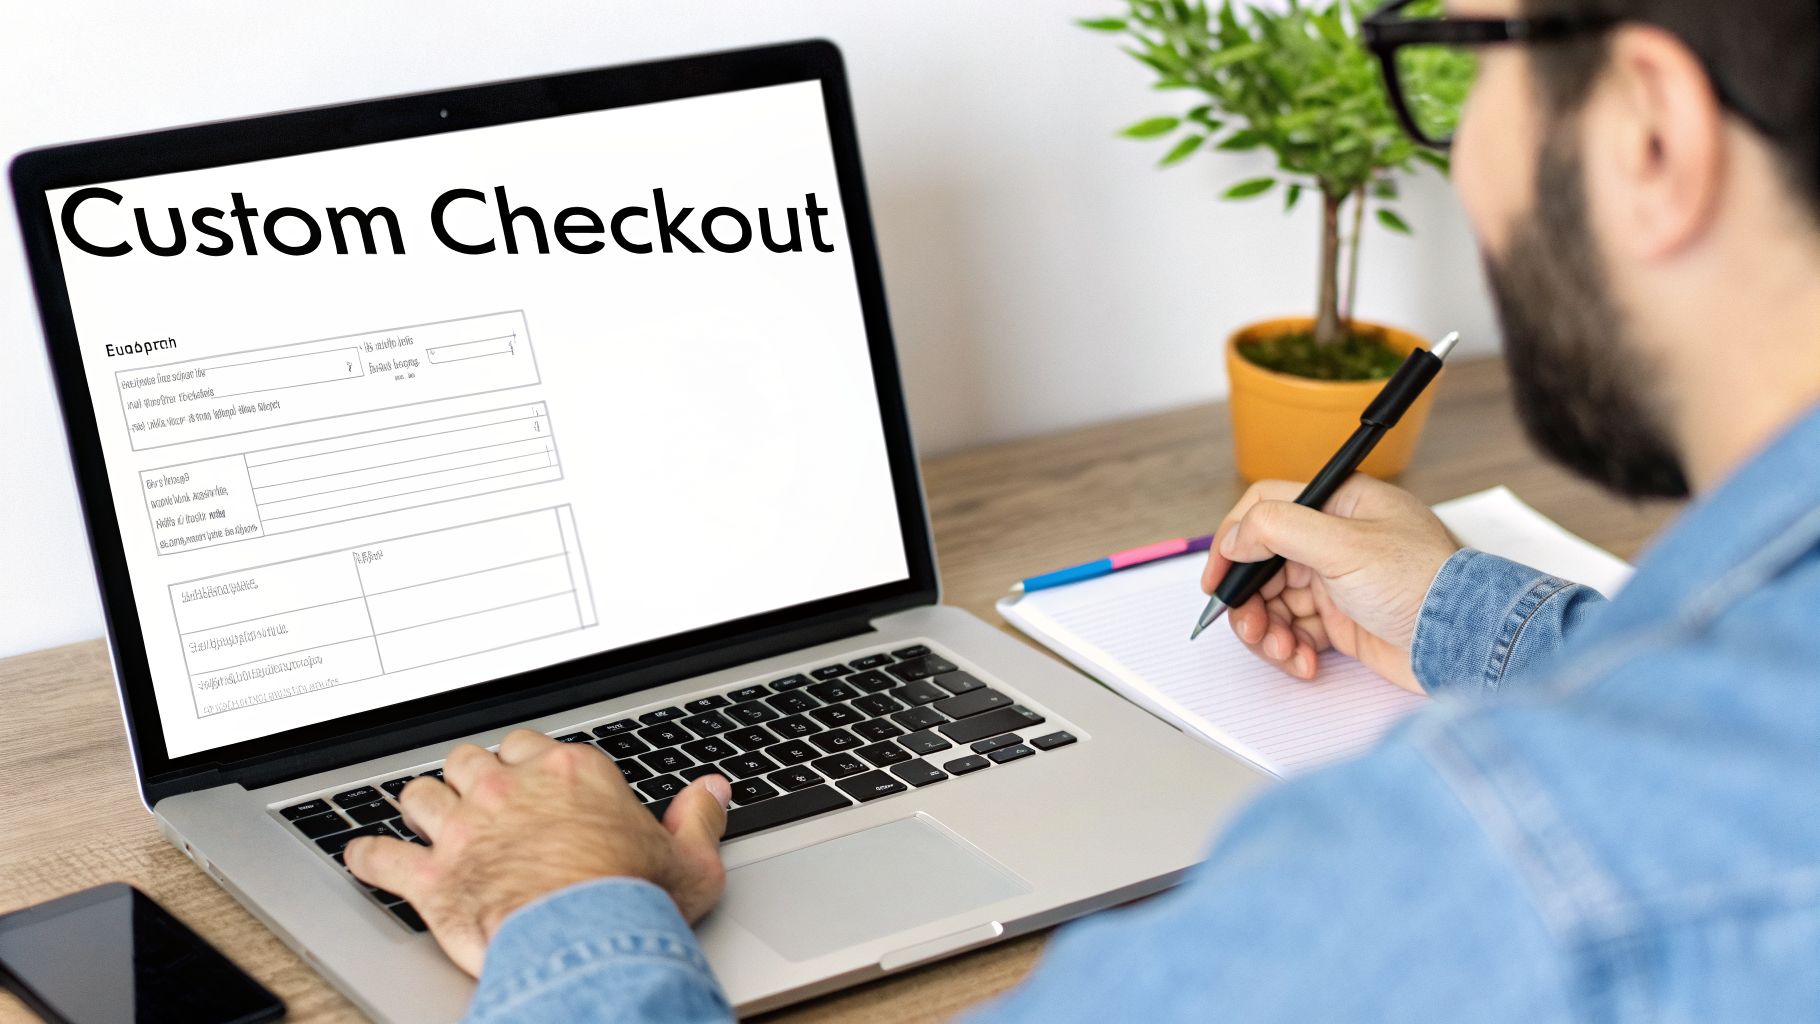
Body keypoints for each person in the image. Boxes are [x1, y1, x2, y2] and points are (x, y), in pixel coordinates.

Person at [346, 0, 1820, 1018]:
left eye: (1458, 52)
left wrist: (563, 905)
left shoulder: (1496, 869)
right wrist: (1477, 618)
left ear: (1649, 130)